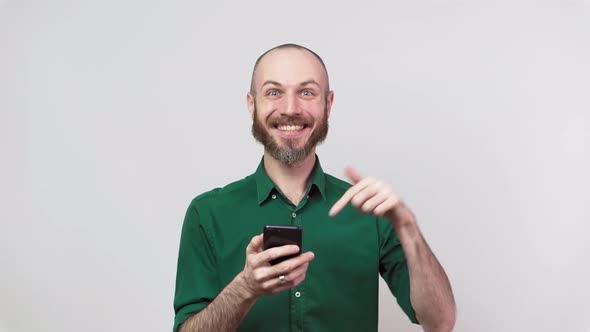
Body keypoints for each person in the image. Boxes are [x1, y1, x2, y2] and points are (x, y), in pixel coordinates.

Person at [173, 43, 456, 332]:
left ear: (328, 104)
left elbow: (441, 322)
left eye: (307, 92)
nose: (291, 109)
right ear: (251, 104)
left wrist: (408, 228)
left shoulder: (370, 212)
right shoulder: (207, 213)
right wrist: (245, 288)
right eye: (274, 92)